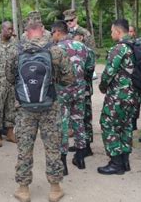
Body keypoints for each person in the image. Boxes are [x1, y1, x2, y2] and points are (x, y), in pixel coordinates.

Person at [7, 19, 75, 202]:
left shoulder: (15, 50)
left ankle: (23, 189)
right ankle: (55, 188)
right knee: (52, 147)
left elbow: (9, 77)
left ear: (26, 32)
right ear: (43, 30)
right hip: (49, 106)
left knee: (24, 149)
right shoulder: (55, 50)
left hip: (24, 108)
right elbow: (69, 78)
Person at [52, 21, 95, 174]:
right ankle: (80, 156)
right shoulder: (82, 47)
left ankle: (63, 162)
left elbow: (52, 72)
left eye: (53, 33)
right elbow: (90, 68)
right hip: (79, 90)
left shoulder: (56, 49)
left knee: (63, 123)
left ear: (57, 32)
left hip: (62, 91)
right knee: (79, 120)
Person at [97, 19, 136, 175]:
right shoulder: (136, 45)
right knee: (126, 125)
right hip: (132, 93)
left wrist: (102, 86)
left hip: (118, 94)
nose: (111, 34)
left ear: (118, 32)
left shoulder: (119, 48)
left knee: (108, 123)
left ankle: (115, 162)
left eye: (112, 31)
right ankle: (125, 160)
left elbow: (109, 72)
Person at [63, 9, 96, 147]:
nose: (69, 23)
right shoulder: (65, 34)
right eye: (67, 21)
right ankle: (79, 142)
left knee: (85, 111)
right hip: (69, 80)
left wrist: (87, 77)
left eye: (71, 20)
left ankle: (87, 142)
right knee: (72, 113)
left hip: (82, 79)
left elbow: (91, 55)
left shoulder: (84, 33)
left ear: (76, 19)